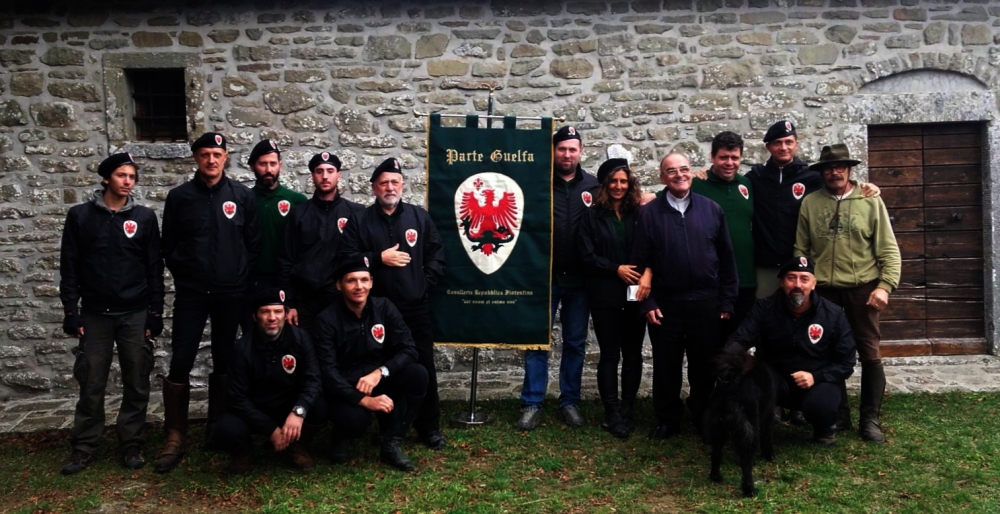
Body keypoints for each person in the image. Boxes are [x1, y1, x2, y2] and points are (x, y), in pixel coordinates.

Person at [155, 132, 260, 474]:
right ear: (195, 158)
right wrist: (188, 274)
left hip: (232, 293)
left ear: (226, 157)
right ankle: (175, 437)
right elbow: (168, 246)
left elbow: (253, 245)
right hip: (193, 294)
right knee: (180, 360)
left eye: (217, 154)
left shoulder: (242, 197)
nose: (211, 160)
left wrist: (238, 274)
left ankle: (219, 428)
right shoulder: (179, 197)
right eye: (204, 154)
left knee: (225, 360)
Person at [58, 153, 165, 474]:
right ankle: (84, 446)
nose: (127, 181)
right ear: (106, 178)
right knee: (91, 381)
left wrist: (155, 313)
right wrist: (70, 312)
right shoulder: (80, 217)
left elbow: (153, 269)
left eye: (132, 176)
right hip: (94, 315)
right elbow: (70, 268)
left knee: (136, 381)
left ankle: (131, 442)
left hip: (134, 312)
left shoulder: (145, 218)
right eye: (121, 175)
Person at [795, 144, 901, 443]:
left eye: (840, 166)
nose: (834, 171)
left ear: (850, 169)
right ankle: (838, 414)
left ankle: (870, 419)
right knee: (827, 354)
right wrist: (803, 284)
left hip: (862, 289)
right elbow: (801, 249)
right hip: (825, 292)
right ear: (822, 172)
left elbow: (889, 250)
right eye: (829, 167)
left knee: (869, 352)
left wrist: (885, 286)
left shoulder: (870, 201)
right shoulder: (811, 203)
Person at [337, 157, 446, 449]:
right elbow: (346, 259)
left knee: (424, 366)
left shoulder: (419, 217)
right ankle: (386, 426)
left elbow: (436, 254)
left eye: (395, 182)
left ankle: (428, 427)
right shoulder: (359, 220)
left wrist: (423, 283)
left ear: (403, 185)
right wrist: (377, 259)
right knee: (382, 367)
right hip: (376, 312)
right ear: (373, 187)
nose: (389, 187)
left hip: (414, 307)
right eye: (383, 182)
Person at [631, 152, 738, 440]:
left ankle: (703, 415)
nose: (679, 175)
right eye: (671, 171)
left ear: (692, 173)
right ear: (662, 177)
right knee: (666, 366)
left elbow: (727, 260)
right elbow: (636, 265)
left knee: (704, 367)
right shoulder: (648, 214)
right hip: (665, 305)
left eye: (684, 169)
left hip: (706, 303)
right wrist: (646, 303)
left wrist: (727, 300)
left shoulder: (711, 210)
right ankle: (667, 419)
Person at [312, 255, 428, 472]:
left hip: (376, 378)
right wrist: (363, 400)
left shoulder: (384, 307)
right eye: (351, 281)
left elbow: (409, 348)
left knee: (418, 374)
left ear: (372, 282)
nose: (359, 286)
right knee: (356, 420)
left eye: (364, 280)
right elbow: (327, 372)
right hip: (345, 387)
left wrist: (380, 373)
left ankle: (390, 442)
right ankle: (341, 435)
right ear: (339, 285)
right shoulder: (326, 320)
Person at [518, 126, 600, 431]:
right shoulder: (537, 182)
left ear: (581, 151)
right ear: (553, 151)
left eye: (572, 149)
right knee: (537, 342)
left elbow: (623, 204)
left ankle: (569, 401)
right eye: (562, 148)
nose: (567, 154)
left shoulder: (595, 185)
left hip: (580, 280)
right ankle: (532, 401)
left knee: (575, 342)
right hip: (544, 278)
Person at [726, 257, 858, 446]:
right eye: (791, 278)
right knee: (748, 385)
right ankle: (757, 425)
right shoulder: (764, 308)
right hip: (775, 379)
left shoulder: (834, 314)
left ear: (814, 284)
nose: (797, 285)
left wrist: (817, 376)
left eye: (804, 279)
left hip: (814, 379)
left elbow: (846, 362)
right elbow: (741, 337)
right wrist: (730, 356)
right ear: (781, 282)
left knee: (821, 404)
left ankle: (824, 429)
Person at [212, 288, 326, 475]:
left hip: (289, 405)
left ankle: (297, 445)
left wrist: (299, 411)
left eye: (278, 311)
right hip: (257, 408)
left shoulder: (301, 338)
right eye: (265, 311)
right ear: (255, 317)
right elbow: (237, 398)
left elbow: (313, 380)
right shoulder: (242, 348)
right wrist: (270, 429)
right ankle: (243, 452)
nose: (272, 317)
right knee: (226, 428)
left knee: (319, 407)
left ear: (286, 314)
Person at [577, 158, 645, 439]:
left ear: (630, 185)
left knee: (633, 354)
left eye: (623, 181)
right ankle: (612, 412)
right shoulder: (591, 216)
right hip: (605, 294)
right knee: (609, 355)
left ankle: (628, 409)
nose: (618, 186)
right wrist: (614, 268)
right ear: (605, 185)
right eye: (613, 181)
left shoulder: (639, 213)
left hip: (635, 294)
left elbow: (651, 245)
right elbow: (586, 255)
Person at [278, 152, 363, 332]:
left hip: (340, 299)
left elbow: (361, 259)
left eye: (330, 171)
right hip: (304, 301)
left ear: (338, 175)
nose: (325, 176)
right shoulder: (298, 214)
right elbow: (286, 260)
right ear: (312, 176)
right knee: (305, 354)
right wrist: (290, 303)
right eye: (319, 171)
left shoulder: (355, 213)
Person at [690, 132, 757, 335]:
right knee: (711, 344)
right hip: (713, 281)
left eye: (734, 158)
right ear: (712, 157)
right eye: (723, 157)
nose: (729, 163)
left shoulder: (746, 184)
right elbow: (657, 199)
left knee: (738, 345)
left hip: (745, 280)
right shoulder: (696, 185)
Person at [242, 139, 306, 334]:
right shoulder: (244, 199)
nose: (268, 169)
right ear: (253, 167)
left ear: (280, 165)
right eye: (263, 164)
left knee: (287, 336)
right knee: (253, 334)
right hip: (252, 280)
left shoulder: (297, 201)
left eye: (272, 163)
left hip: (286, 280)